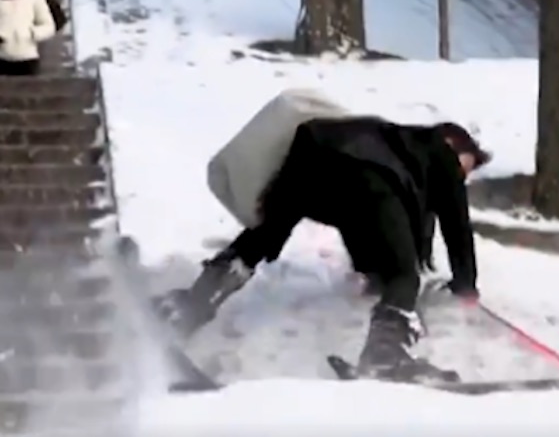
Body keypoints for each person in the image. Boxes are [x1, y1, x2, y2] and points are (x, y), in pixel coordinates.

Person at [155, 117, 491, 382]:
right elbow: (456, 223)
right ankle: (385, 359)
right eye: (468, 165)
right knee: (406, 275)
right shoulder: (437, 152)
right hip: (366, 173)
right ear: (452, 142)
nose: (464, 175)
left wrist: (375, 275)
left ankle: (189, 305)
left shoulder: (392, 142)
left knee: (263, 235)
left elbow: (368, 227)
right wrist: (465, 284)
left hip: (311, 155)